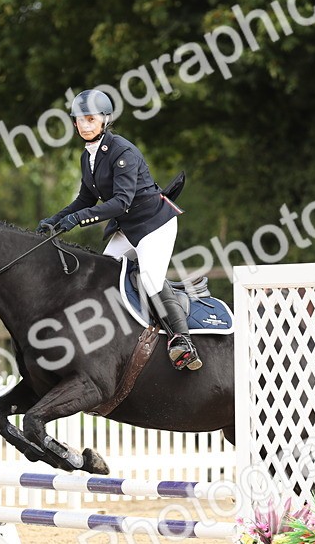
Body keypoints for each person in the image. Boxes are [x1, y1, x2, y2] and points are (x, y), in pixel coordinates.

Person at [37, 88, 201, 371]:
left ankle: (182, 341)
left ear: (105, 120)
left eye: (91, 119)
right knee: (104, 276)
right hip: (127, 228)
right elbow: (85, 200)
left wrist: (77, 220)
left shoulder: (122, 151)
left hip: (154, 224)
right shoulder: (87, 157)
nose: (84, 124)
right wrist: (55, 219)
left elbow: (120, 202)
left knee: (149, 278)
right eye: (79, 120)